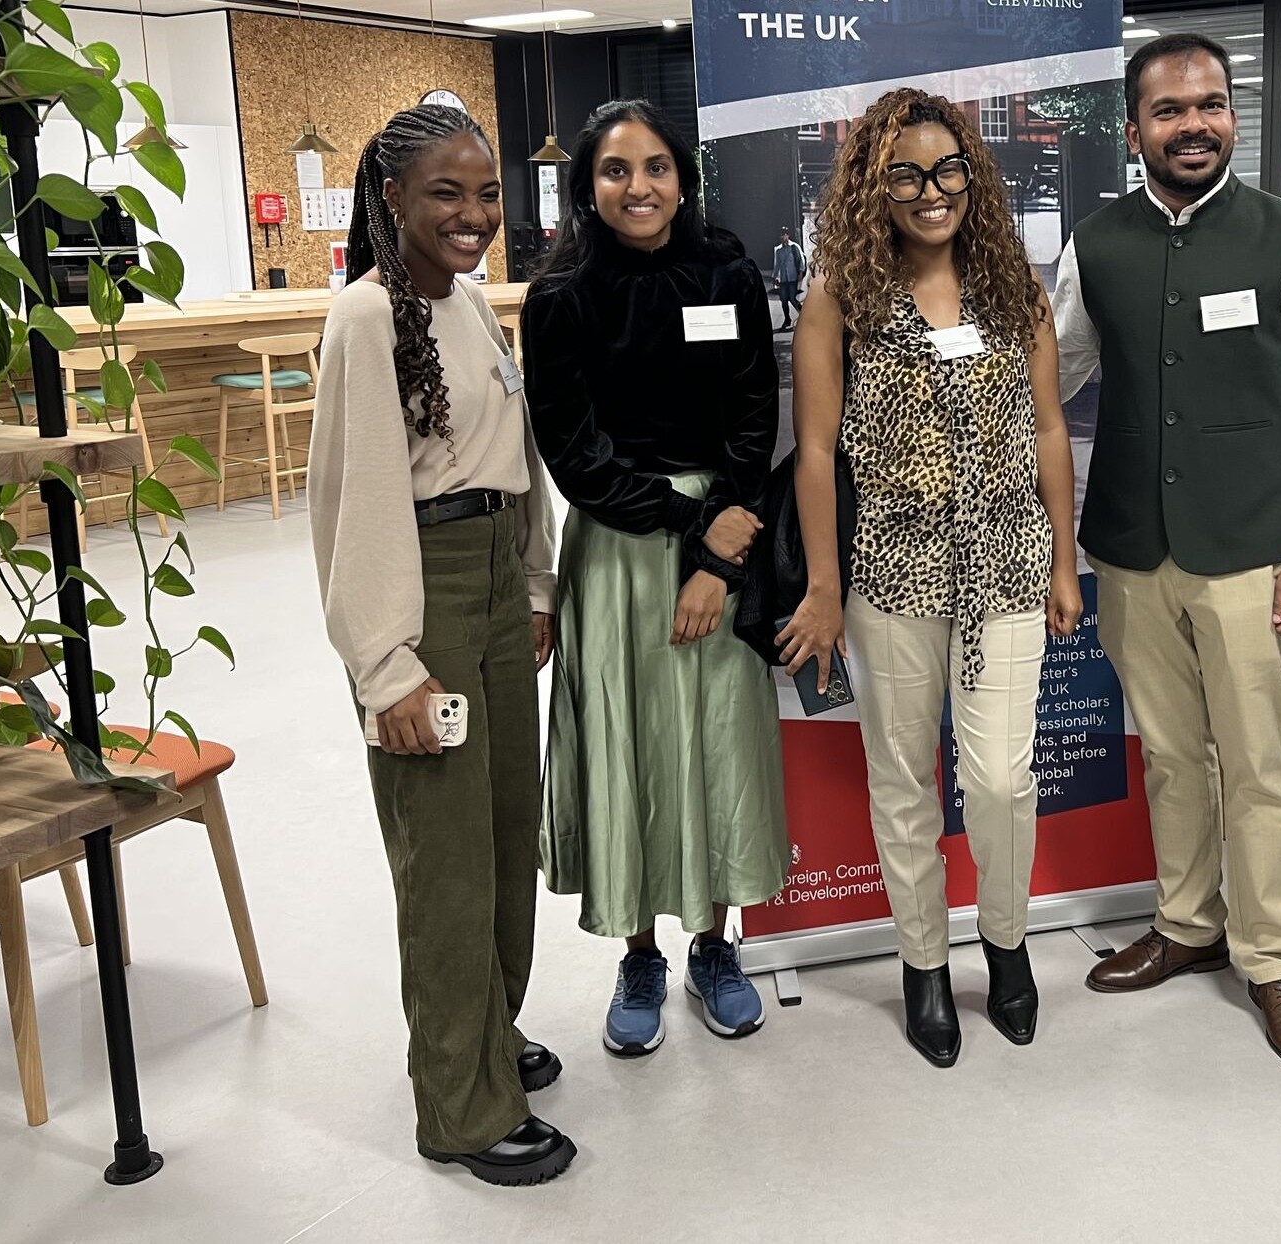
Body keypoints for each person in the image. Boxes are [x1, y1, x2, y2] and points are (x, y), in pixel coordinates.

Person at [1051, 33, 1281, 1071]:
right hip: (1132, 549)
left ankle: (1270, 955)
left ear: (1231, 116)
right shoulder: (1093, 243)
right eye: (1170, 110)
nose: (1194, 125)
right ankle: (1186, 922)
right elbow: (1051, 383)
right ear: (1133, 127)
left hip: (1249, 548)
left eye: (1211, 106)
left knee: (1258, 762)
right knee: (1173, 752)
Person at [777, 89, 1083, 1068]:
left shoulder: (1012, 287)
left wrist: (1063, 557)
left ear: (972, 178)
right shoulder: (841, 295)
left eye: (947, 169)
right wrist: (823, 586)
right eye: (904, 173)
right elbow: (815, 452)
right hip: (891, 574)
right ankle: (920, 964)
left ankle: (1004, 941)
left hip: (1005, 564)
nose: (929, 190)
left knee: (999, 777)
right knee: (903, 780)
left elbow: (1046, 428)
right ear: (876, 184)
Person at [307, 104, 574, 1186]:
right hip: (419, 598)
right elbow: (353, 501)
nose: (472, 216)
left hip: (495, 587)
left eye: (486, 195)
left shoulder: (466, 304)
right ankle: (457, 1106)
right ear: (392, 199)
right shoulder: (364, 317)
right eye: (445, 195)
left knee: (508, 838)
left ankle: (487, 1037)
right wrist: (385, 665)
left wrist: (536, 577)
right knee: (448, 866)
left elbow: (513, 453)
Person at [522, 100, 787, 1059]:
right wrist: (687, 526)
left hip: (728, 539)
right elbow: (573, 452)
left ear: (684, 175)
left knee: (715, 740)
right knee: (630, 739)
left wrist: (721, 556)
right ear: (586, 185)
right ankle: (639, 952)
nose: (639, 188)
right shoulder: (560, 296)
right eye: (616, 170)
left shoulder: (725, 270)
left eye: (657, 167)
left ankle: (714, 945)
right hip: (622, 547)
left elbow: (757, 415)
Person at [772, 225, 807, 332]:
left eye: (784, 235)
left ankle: (804, 316)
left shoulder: (794, 247)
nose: (782, 237)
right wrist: (775, 277)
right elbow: (777, 264)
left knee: (792, 298)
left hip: (792, 277)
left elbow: (801, 260)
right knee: (783, 300)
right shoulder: (778, 250)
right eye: (781, 235)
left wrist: (801, 271)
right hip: (783, 278)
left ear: (788, 235)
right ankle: (787, 319)